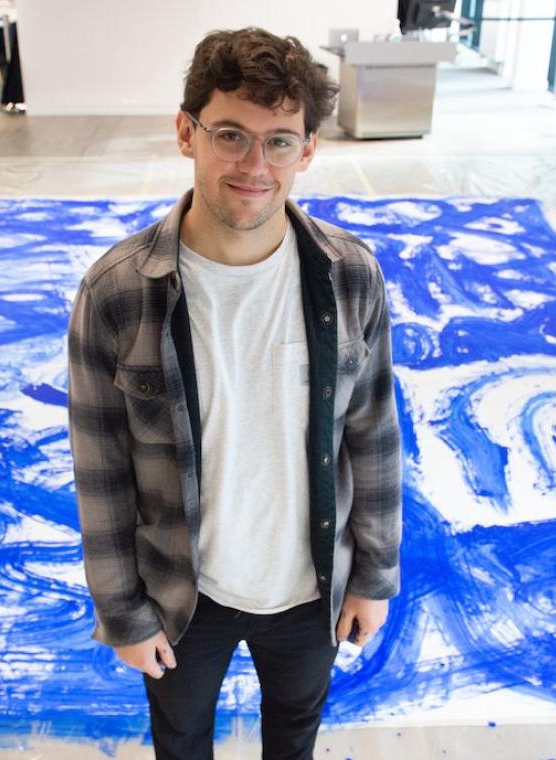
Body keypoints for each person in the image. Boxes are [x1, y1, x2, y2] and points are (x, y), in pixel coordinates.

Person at [67, 26, 402, 760]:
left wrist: (373, 576)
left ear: (309, 149)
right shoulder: (118, 293)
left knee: (295, 733)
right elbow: (101, 473)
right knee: (181, 740)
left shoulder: (350, 277)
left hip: (311, 587)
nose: (256, 164)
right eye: (231, 135)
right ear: (186, 133)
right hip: (185, 596)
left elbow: (373, 433)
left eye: (280, 141)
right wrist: (123, 611)